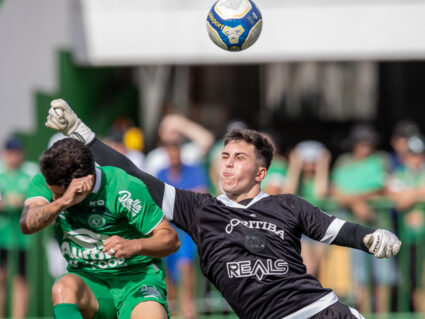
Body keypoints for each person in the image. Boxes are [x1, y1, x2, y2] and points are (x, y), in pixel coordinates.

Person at [46, 99, 402, 319]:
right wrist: (81, 132)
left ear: (261, 172)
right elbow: (135, 175)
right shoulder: (200, 209)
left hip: (321, 312)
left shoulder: (287, 205)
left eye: (240, 158)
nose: (228, 164)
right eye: (225, 157)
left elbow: (339, 230)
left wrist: (373, 237)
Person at [20, 138, 179, 319]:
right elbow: (27, 224)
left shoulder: (123, 187)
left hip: (136, 279)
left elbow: (171, 239)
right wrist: (64, 201)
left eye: (58, 194)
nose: (53, 198)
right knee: (63, 287)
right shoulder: (48, 180)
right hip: (90, 280)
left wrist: (135, 245)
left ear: (84, 183)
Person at [331, 123, 393, 313]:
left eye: (369, 143)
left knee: (383, 279)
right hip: (354, 230)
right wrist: (357, 203)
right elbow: (335, 192)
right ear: (355, 144)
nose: (366, 146)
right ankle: (365, 315)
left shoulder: (382, 159)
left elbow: (383, 189)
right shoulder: (343, 161)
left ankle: (383, 317)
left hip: (380, 226)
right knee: (360, 279)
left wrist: (353, 199)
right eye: (362, 142)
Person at [156, 142, 208, 319]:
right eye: (170, 152)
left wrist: (174, 200)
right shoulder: (161, 173)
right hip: (167, 228)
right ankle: (172, 311)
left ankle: (189, 311)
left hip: (187, 229)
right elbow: (155, 199)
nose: (174, 156)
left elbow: (202, 194)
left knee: (185, 269)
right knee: (168, 275)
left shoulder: (194, 170)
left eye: (176, 152)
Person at [0, 136, 38, 318]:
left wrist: (21, 200)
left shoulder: (30, 170)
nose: (13, 156)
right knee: (1, 277)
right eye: (10, 152)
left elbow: (38, 195)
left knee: (21, 279)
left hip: (24, 237)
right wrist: (7, 202)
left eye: (16, 152)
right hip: (2, 233)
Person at [386, 134, 425, 312]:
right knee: (415, 283)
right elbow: (397, 201)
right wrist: (419, 193)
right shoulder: (398, 174)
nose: (416, 158)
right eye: (412, 154)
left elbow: (402, 198)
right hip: (410, 239)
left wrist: (410, 195)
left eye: (420, 153)